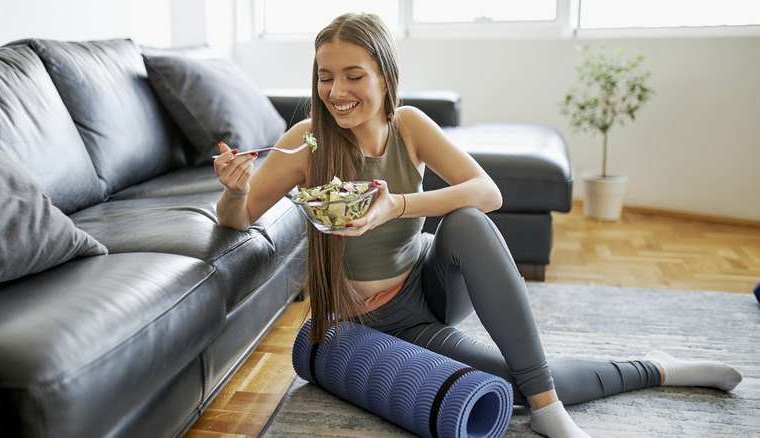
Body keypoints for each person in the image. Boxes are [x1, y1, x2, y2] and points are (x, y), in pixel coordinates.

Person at [213, 12, 742, 438]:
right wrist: (235, 190)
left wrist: (397, 205)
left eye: (355, 75)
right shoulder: (307, 141)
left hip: (429, 288)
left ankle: (549, 408)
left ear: (385, 77)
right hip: (370, 322)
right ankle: (656, 367)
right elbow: (237, 217)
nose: (337, 90)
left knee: (466, 219)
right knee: (510, 380)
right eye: (325, 77)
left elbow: (488, 192)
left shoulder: (410, 126)